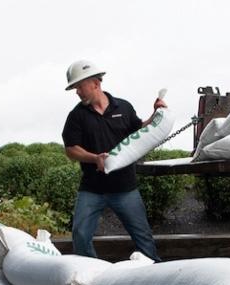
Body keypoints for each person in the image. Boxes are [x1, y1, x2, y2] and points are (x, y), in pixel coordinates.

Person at [62, 59, 165, 262]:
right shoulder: (76, 116)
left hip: (125, 188)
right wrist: (94, 158)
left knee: (143, 237)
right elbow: (71, 150)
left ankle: (154, 274)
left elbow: (141, 131)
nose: (77, 92)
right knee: (81, 235)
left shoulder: (124, 107)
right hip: (92, 189)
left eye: (79, 87)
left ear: (95, 83)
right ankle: (91, 275)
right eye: (75, 88)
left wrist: (157, 113)